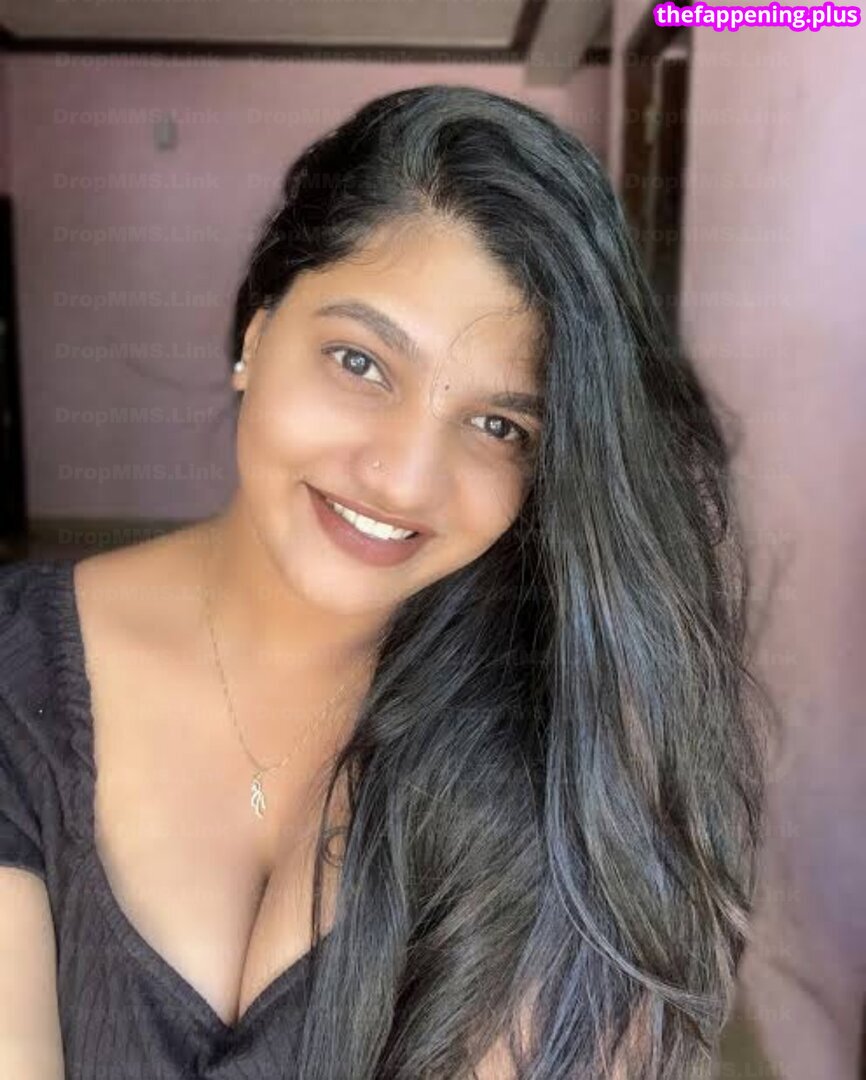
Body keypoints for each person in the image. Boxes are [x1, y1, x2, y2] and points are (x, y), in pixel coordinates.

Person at [0, 84, 773, 1079]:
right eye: (360, 363)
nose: (404, 479)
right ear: (256, 334)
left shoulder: (561, 751)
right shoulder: (17, 671)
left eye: (498, 425)